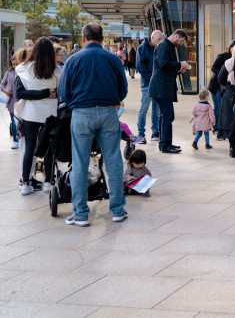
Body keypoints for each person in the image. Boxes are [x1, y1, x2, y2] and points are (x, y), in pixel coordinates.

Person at [57, 23, 128, 226]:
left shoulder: (73, 60)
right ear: (103, 39)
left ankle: (80, 213)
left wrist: (76, 103)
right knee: (113, 160)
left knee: (79, 163)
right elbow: (122, 90)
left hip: (81, 113)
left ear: (83, 38)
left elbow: (63, 91)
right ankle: (117, 209)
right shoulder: (113, 59)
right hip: (108, 113)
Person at [14, 38, 61, 195]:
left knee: (29, 148)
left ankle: (25, 182)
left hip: (30, 114)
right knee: (48, 149)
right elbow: (60, 92)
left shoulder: (23, 69)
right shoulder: (56, 71)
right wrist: (46, 93)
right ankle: (48, 182)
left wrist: (40, 94)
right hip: (50, 114)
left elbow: (19, 93)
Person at [149, 29, 190, 154]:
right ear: (176, 36)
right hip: (161, 87)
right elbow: (163, 64)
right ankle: (165, 144)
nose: (181, 44)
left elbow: (166, 67)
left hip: (163, 87)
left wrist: (178, 70)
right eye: (181, 41)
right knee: (168, 116)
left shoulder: (168, 46)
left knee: (164, 116)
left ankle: (164, 143)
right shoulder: (163, 46)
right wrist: (180, 64)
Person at [136, 31, 163, 144]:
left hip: (157, 84)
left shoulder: (160, 48)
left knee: (156, 110)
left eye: (161, 39)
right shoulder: (142, 48)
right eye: (158, 40)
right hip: (147, 84)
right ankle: (141, 133)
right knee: (144, 109)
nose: (160, 42)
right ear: (152, 38)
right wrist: (151, 78)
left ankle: (155, 132)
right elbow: (140, 67)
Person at [209, 40, 235, 135]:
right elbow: (213, 68)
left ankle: (223, 127)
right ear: (229, 48)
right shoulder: (223, 56)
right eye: (232, 48)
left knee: (225, 107)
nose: (234, 51)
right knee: (218, 106)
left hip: (227, 86)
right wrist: (224, 73)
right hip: (216, 85)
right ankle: (215, 128)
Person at [1, 53, 21, 149]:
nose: (15, 66)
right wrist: (5, 90)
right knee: (13, 122)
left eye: (16, 64)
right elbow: (2, 85)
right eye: (13, 64)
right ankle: (15, 140)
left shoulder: (23, 72)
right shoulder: (9, 73)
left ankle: (21, 138)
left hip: (22, 101)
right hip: (12, 101)